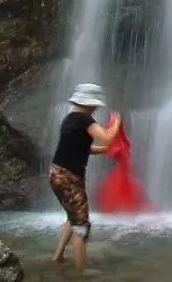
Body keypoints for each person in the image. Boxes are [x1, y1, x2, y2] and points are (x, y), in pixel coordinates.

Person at [49, 83, 122, 270]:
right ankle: (80, 278)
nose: (97, 108)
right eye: (96, 105)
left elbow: (82, 148)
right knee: (81, 226)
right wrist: (116, 124)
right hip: (69, 177)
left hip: (56, 173)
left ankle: (57, 258)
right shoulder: (84, 119)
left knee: (72, 216)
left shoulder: (70, 120)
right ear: (89, 103)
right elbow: (106, 136)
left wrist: (105, 151)